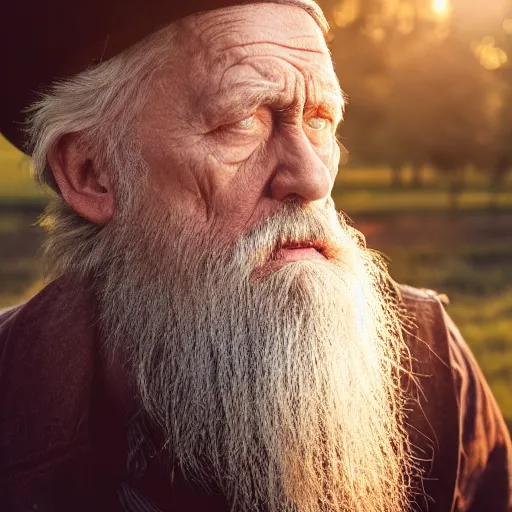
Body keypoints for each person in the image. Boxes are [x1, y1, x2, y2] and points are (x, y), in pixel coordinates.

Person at [0, 1, 511, 511]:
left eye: (320, 120)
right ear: (93, 171)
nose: (313, 179)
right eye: (243, 120)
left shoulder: (430, 365)